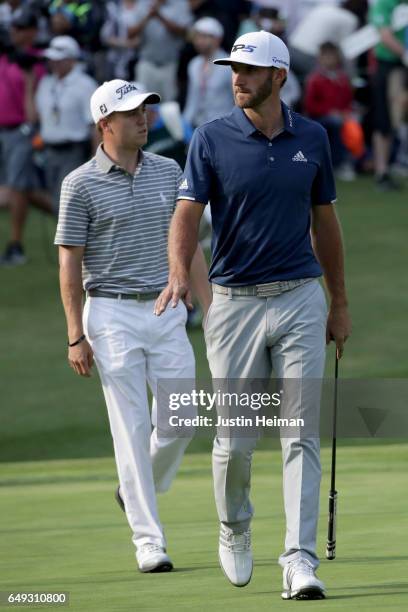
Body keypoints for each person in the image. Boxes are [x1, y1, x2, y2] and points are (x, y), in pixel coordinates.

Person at [155, 31, 351, 599]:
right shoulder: (211, 138)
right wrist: (177, 274)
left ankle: (299, 559)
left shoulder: (311, 138)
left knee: (299, 434)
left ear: (279, 76)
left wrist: (338, 301)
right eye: (233, 69)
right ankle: (235, 526)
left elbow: (327, 225)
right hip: (235, 304)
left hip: (299, 298)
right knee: (237, 441)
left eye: (248, 70)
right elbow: (187, 214)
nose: (236, 78)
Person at [54, 79, 212, 572]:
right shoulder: (78, 183)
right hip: (111, 312)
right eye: (131, 113)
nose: (143, 118)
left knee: (181, 419)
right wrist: (75, 334)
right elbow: (69, 263)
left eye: (145, 110)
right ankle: (149, 541)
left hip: (167, 310)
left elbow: (191, 245)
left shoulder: (168, 170)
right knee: (131, 428)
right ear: (105, 123)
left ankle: (132, 487)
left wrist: (212, 312)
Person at [0, 8, 49, 265]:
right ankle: (66, 213)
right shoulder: (6, 56)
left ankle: (15, 245)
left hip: (23, 129)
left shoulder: (36, 61)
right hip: (3, 130)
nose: (14, 32)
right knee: (21, 189)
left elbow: (36, 101)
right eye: (13, 28)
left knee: (19, 187)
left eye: (20, 28)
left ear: (32, 31)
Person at [35, 35, 98, 211]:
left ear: (71, 60)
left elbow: (94, 125)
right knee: (57, 201)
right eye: (51, 59)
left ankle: (74, 238)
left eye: (58, 60)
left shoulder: (85, 85)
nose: (53, 63)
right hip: (48, 150)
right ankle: (66, 239)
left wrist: (96, 157)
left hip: (74, 151)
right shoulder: (46, 83)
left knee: (70, 201)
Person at [370, 0, 408, 189]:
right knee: (384, 121)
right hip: (388, 66)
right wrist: (405, 53)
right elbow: (385, 36)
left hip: (401, 65)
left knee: (395, 120)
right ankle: (382, 172)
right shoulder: (384, 4)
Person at [304, 42, 356, 180]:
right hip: (319, 118)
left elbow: (348, 102)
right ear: (320, 58)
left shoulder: (343, 79)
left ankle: (352, 162)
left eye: (332, 56)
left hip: (339, 117)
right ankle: (338, 163)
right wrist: (329, 112)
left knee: (352, 124)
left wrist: (346, 112)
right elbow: (310, 106)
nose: (330, 59)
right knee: (335, 124)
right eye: (326, 56)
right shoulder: (315, 79)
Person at [127, 0, 193, 101]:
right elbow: (130, 34)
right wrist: (148, 16)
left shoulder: (180, 3)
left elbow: (184, 33)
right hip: (146, 62)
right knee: (142, 102)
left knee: (169, 105)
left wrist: (159, 16)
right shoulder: (142, 3)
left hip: (170, 64)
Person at [183, 17, 234, 128]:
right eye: (197, 37)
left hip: (223, 126)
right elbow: (192, 98)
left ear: (217, 39)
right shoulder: (194, 64)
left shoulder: (229, 65)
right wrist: (185, 121)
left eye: (204, 37)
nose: (199, 41)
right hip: (198, 125)